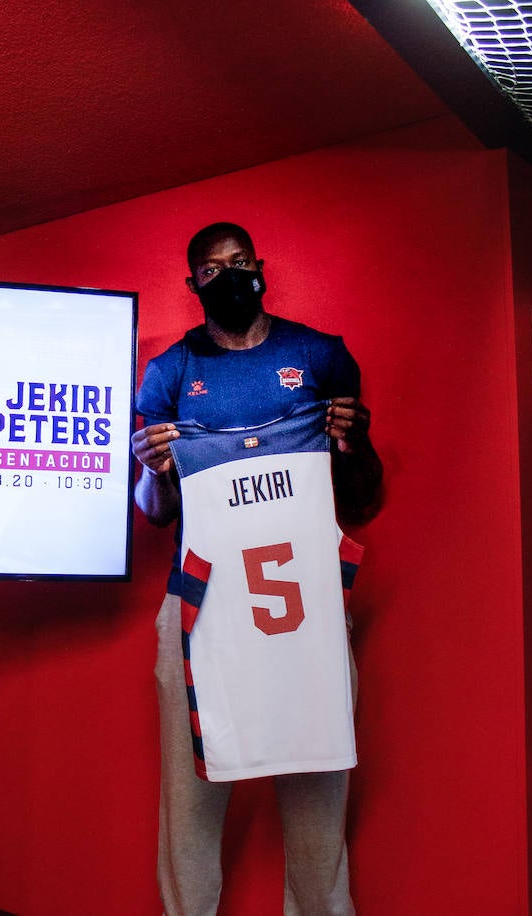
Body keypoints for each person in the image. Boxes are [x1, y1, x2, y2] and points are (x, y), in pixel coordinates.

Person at [131, 222, 382, 915]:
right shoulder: (171, 372)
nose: (230, 276)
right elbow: (154, 508)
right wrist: (153, 469)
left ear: (260, 267)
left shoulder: (320, 357)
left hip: (305, 602)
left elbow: (363, 496)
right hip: (201, 604)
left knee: (317, 789)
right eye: (212, 270)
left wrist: (351, 443)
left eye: (240, 263)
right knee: (192, 797)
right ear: (194, 286)